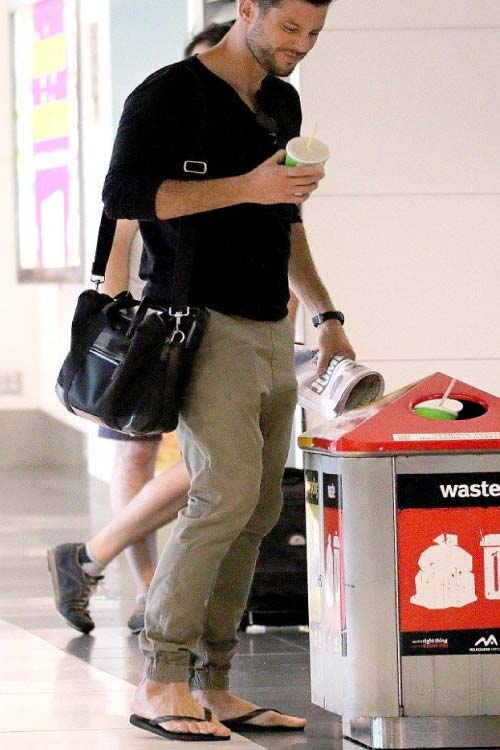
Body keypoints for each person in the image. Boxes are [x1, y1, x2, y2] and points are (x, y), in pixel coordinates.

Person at [101, 0, 356, 740]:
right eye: (289, 28)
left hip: (272, 326)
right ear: (249, 10)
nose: (301, 46)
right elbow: (125, 197)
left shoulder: (281, 101)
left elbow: (287, 220)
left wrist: (326, 314)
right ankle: (160, 679)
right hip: (200, 323)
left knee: (259, 508)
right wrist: (246, 186)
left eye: (314, 33)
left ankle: (213, 684)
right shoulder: (167, 95)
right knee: (223, 497)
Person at [47, 22, 234, 637]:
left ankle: (89, 557)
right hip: (152, 321)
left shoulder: (243, 143)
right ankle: (148, 587)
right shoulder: (156, 132)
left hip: (220, 321)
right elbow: (119, 224)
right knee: (136, 450)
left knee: (218, 459)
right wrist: (113, 315)